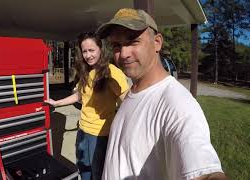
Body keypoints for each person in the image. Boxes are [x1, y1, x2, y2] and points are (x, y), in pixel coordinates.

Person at [96, 8, 227, 180]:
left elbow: (205, 172)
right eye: (117, 45)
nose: (124, 54)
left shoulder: (178, 103)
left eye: (133, 41)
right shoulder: (131, 93)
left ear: (157, 42)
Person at [44, 32, 129, 180]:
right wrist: (57, 103)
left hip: (100, 134)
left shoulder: (112, 73)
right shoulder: (87, 71)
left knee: (98, 173)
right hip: (83, 130)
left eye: (92, 50)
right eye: (85, 51)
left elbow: (127, 103)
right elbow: (79, 95)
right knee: (83, 169)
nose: (88, 55)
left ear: (100, 49)